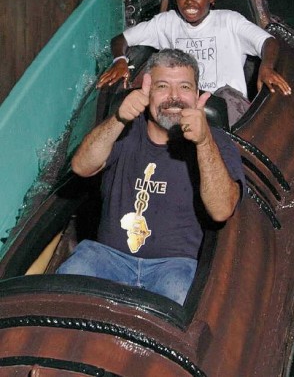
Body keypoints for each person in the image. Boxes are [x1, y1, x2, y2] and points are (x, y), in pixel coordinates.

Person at [57, 49, 245, 305]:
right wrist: (118, 118)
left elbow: (222, 210)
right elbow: (81, 167)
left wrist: (203, 142)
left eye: (185, 87)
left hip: (174, 267)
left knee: (184, 311)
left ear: (198, 94)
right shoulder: (123, 130)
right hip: (105, 258)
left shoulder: (216, 142)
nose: (174, 97)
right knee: (62, 293)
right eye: (163, 86)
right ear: (147, 92)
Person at [97, 0, 291, 125]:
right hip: (181, 100)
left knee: (215, 108)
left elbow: (268, 42)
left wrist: (266, 67)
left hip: (225, 104)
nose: (190, 2)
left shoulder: (229, 21)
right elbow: (121, 39)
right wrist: (120, 60)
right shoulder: (166, 22)